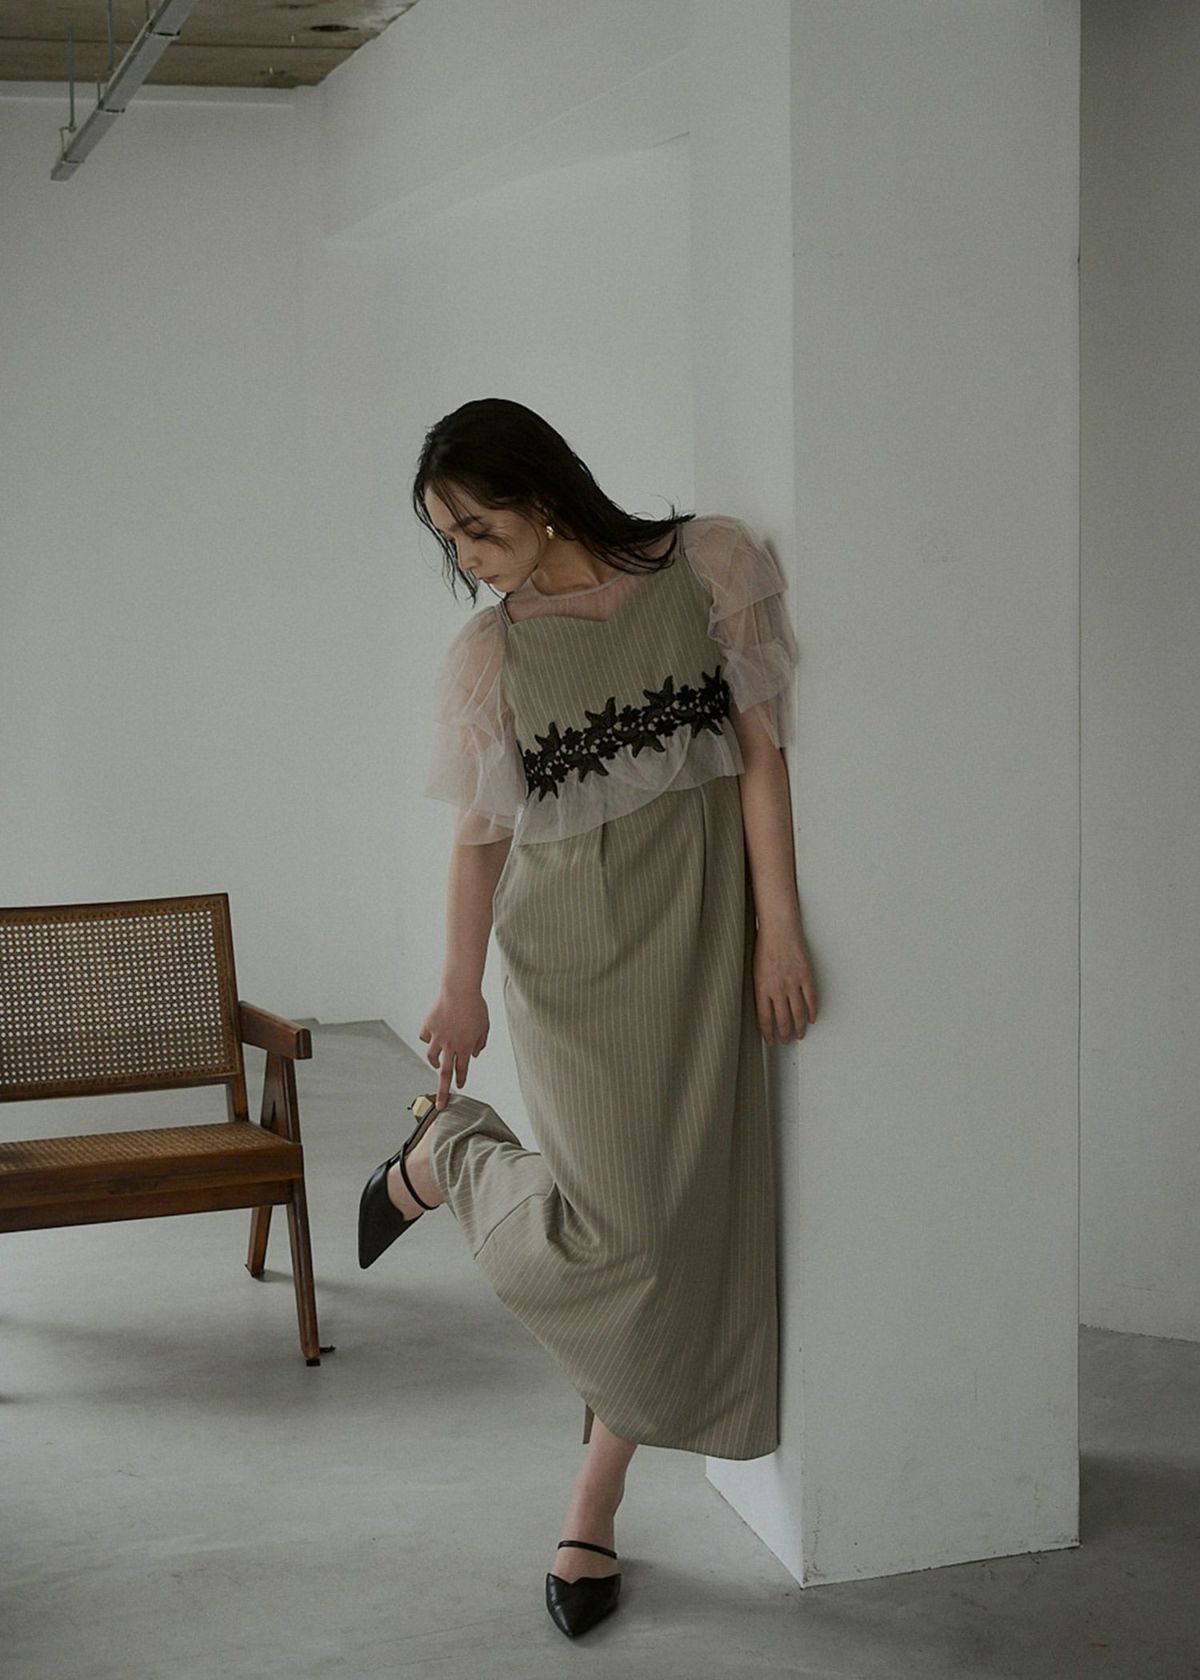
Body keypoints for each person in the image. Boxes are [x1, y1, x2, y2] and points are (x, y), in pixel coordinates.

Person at [358, 397, 817, 1638]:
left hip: (702, 942)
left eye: (476, 526)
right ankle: (454, 1155)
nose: (466, 556)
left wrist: (779, 928)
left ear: (545, 493)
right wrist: (459, 986)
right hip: (569, 960)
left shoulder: (709, 566)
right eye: (448, 539)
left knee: (686, 1229)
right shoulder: (491, 655)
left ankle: (592, 1505)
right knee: (621, 1238)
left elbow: (761, 757)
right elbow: (479, 841)